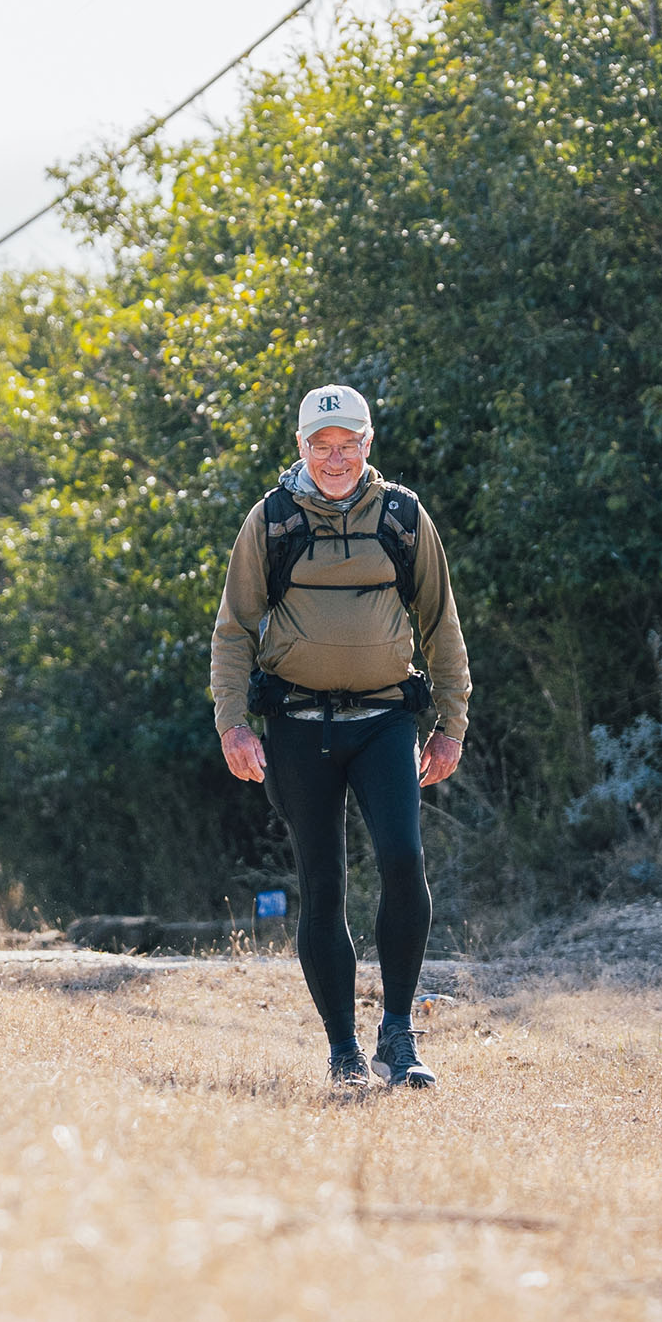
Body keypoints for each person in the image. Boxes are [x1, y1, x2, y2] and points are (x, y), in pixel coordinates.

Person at [210, 384, 471, 1089]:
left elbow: (441, 624)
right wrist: (232, 722)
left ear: (367, 443)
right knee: (322, 882)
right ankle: (343, 1051)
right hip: (295, 726)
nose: (334, 458)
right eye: (320, 446)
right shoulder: (270, 521)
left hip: (386, 719)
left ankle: (397, 1035)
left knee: (402, 860)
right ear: (301, 447)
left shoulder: (404, 517)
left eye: (346, 444)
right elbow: (234, 628)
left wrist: (451, 724)